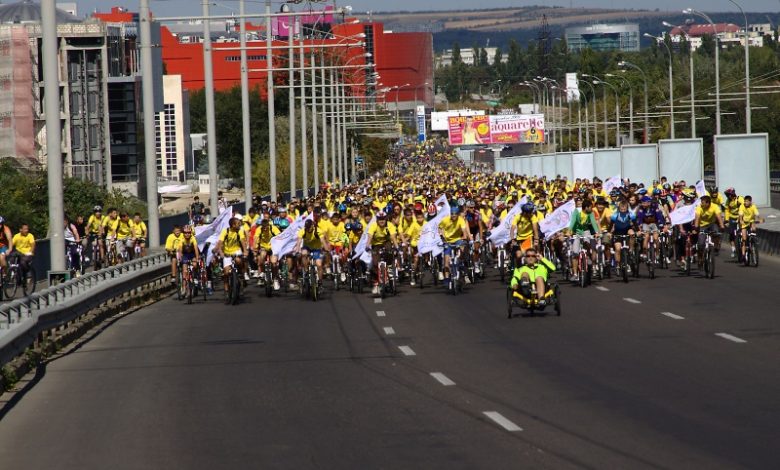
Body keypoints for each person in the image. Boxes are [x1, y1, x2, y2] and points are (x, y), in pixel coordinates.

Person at [216, 216, 249, 300]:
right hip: (227, 253)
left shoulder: (239, 231)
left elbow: (242, 242)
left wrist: (245, 251)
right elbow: (220, 243)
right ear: (233, 225)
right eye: (238, 224)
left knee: (238, 261)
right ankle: (227, 290)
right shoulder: (225, 232)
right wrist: (221, 253)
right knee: (226, 273)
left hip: (236, 251)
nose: (239, 224)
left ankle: (242, 274)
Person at [366, 211, 398, 295]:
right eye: (380, 219)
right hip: (376, 245)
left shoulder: (389, 225)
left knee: (390, 250)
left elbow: (393, 237)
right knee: (375, 263)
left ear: (386, 219)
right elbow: (370, 237)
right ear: (377, 220)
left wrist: (397, 247)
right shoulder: (373, 225)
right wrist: (367, 246)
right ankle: (376, 283)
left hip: (386, 242)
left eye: (383, 219)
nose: (382, 221)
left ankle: (390, 268)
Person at [567, 199, 599, 282]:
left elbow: (593, 222)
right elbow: (572, 222)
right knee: (575, 253)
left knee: (586, 241)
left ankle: (587, 257)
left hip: (586, 231)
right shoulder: (576, 211)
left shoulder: (590, 213)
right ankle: (574, 274)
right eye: (590, 207)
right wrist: (569, 231)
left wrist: (596, 232)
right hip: (577, 232)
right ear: (586, 207)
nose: (592, 209)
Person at [694, 195, 725, 265]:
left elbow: (719, 217)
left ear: (708, 203)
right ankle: (700, 257)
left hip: (712, 224)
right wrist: (696, 227)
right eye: (701, 202)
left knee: (717, 233)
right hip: (702, 225)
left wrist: (722, 226)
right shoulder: (699, 208)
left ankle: (716, 247)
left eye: (703, 203)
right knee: (701, 244)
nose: (701, 204)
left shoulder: (715, 207)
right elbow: (697, 218)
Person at [738, 195, 762, 261]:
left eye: (747, 201)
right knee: (744, 238)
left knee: (754, 229)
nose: (745, 202)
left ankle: (753, 241)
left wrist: (760, 219)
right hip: (744, 223)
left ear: (750, 202)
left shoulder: (753, 206)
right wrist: (740, 220)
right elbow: (740, 214)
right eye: (745, 201)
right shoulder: (742, 206)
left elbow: (756, 213)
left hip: (751, 222)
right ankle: (743, 254)